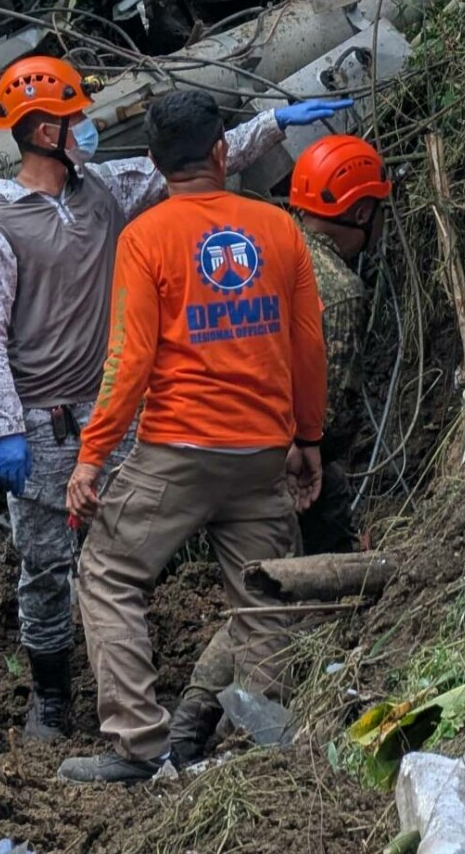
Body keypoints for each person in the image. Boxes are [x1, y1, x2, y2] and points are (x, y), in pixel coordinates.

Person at [0, 55, 349, 741]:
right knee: (47, 563)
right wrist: (3, 427)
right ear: (46, 131)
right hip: (42, 423)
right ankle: (52, 698)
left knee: (118, 559)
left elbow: (189, 161)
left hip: (117, 414)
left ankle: (140, 712)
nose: (85, 127)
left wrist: (274, 123)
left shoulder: (107, 191)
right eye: (75, 117)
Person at [57, 89, 329, 784]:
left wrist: (91, 457)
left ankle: (138, 747)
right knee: (260, 590)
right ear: (218, 153)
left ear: (153, 161)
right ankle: (263, 738)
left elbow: (128, 360)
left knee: (110, 572)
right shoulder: (278, 228)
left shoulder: (146, 237)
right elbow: (306, 344)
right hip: (262, 453)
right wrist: (308, 437)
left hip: (178, 449)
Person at [167, 134, 393, 767]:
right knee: (284, 590)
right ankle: (228, 734)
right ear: (358, 213)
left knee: (259, 590)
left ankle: (190, 729)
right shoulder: (337, 292)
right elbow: (325, 410)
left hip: (214, 445)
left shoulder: (256, 249)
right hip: (281, 462)